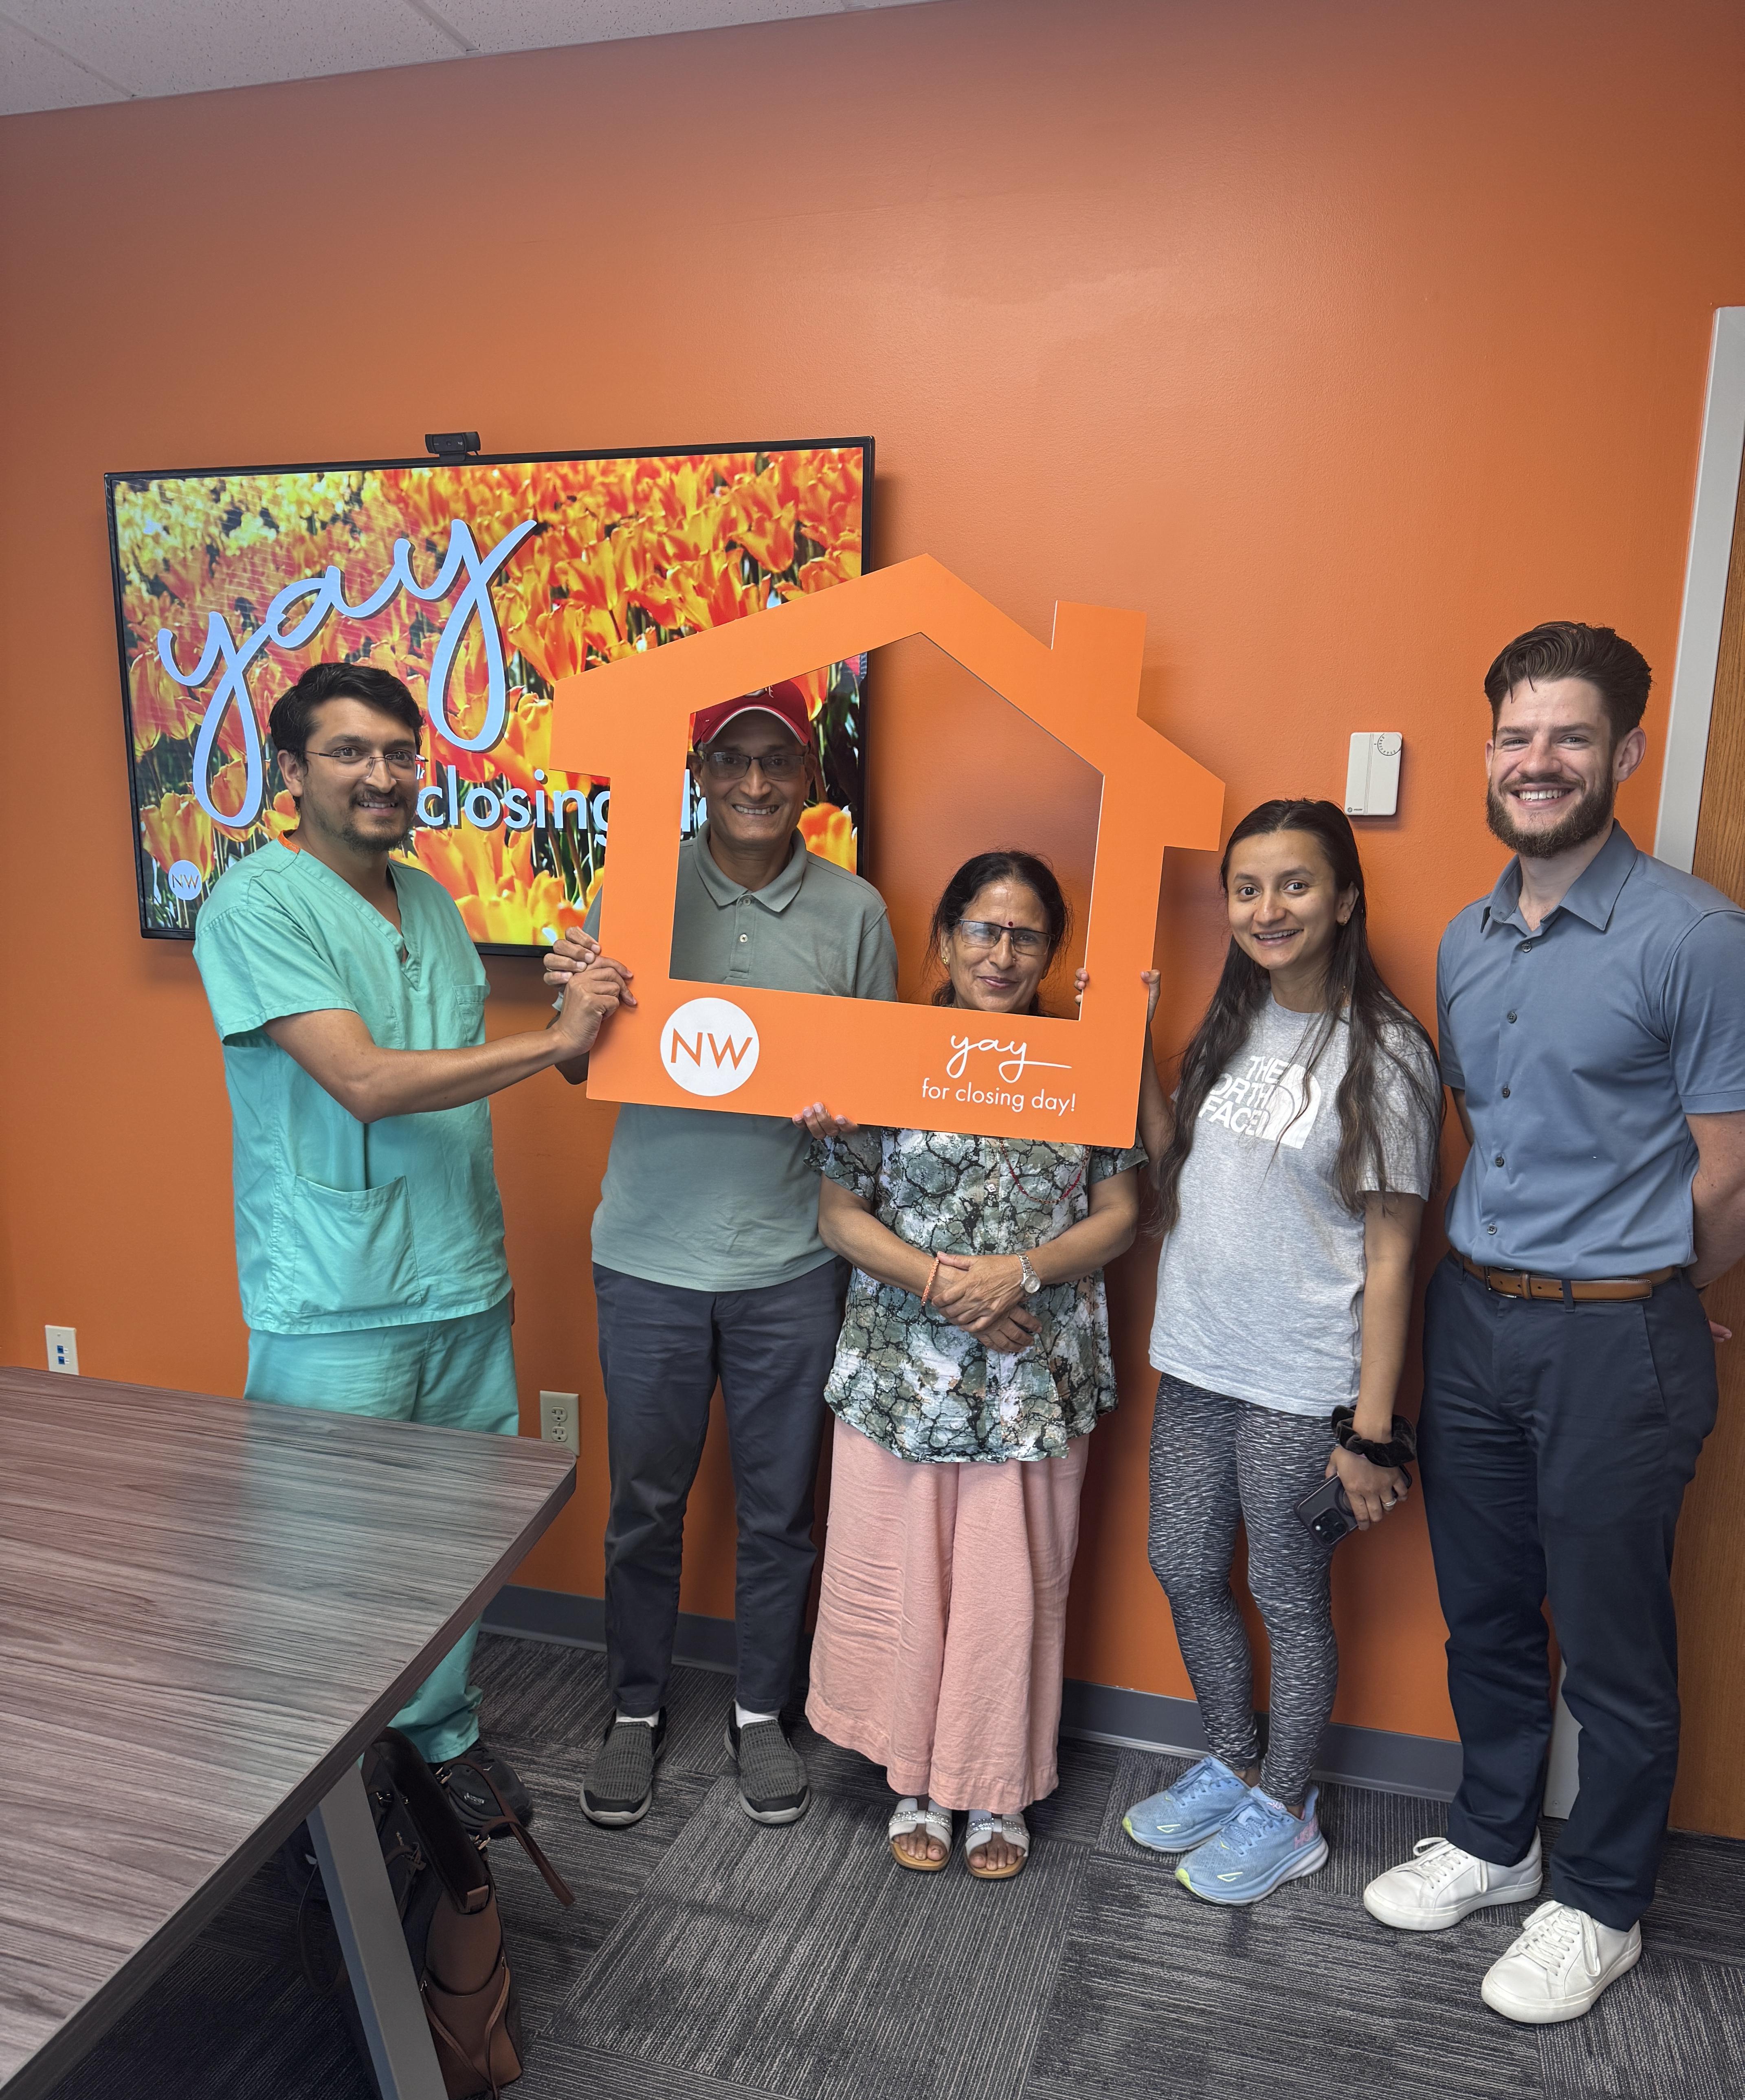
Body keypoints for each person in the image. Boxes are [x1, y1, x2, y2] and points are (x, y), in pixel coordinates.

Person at [1364, 621, 1745, 2021]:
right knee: (1482, 1611)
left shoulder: (1695, 939)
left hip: (1613, 1341)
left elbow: (1729, 1169)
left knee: (1610, 1640)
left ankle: (1601, 1903)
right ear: (1488, 754)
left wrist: (1651, 1293)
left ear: (1624, 751)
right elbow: (1494, 1128)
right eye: (1516, 737)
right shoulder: (1465, 940)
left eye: (1570, 737)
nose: (1538, 762)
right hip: (1473, 1320)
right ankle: (1493, 1840)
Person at [192, 661, 631, 1826]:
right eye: (350, 752)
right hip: (334, 1298)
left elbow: (469, 1068)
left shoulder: (431, 900)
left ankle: (438, 1742)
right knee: (324, 1562)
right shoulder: (255, 906)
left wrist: (585, 1015)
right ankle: (321, 1803)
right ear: (291, 773)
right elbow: (365, 1081)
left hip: (461, 1280)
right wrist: (555, 1041)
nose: (382, 775)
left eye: (399, 753)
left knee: (450, 1549)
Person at [544, 681, 897, 1832]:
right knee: (643, 1507)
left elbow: (881, 1100)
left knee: (779, 1511)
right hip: (647, 1254)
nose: (754, 783)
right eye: (731, 761)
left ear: (810, 780)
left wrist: (845, 1114)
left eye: (777, 762)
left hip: (790, 1264)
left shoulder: (854, 912)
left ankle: (761, 1714)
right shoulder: (638, 891)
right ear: (698, 776)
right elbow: (576, 1063)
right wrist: (572, 1013)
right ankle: (633, 1711)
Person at [795, 850, 1144, 1879]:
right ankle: (914, 1775)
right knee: (907, 1583)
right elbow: (839, 1216)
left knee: (1007, 1591)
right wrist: (951, 1287)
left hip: (1032, 1378)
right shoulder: (884, 1054)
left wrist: (1019, 1275)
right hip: (902, 1372)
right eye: (984, 930)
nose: (1002, 953)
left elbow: (1121, 1217)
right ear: (946, 939)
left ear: (1051, 952)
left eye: (1026, 935)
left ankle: (996, 1787)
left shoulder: (1084, 1061)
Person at [1121, 799, 1442, 1903]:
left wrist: (1369, 1433)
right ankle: (1232, 1759)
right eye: (1247, 889)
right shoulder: (1233, 1022)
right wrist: (1131, 1054)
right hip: (1198, 1358)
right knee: (1182, 1565)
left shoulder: (1387, 1053)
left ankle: (1288, 1807)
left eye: (1295, 885)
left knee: (1286, 1595)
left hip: (1302, 1383)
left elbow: (1394, 1260)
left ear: (1345, 899)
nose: (1269, 909)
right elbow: (1177, 1168)